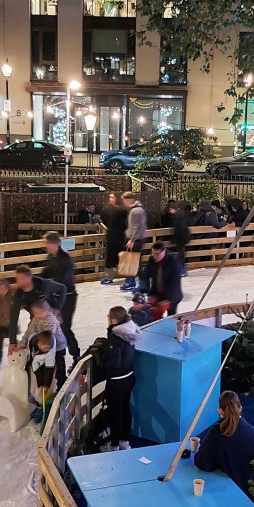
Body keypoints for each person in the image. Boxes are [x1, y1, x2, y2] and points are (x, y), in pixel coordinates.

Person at [195, 390, 254, 499]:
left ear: (220, 411)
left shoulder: (215, 434)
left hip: (229, 496)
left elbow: (203, 464)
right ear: (240, 408)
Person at [95, 306, 141, 450]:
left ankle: (114, 445)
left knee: (115, 414)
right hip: (129, 377)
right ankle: (124, 441)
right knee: (126, 410)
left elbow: (114, 364)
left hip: (117, 382)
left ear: (113, 319)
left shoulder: (116, 337)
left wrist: (100, 360)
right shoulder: (130, 330)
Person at [8, 265, 66, 351]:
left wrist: (57, 308)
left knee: (56, 343)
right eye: (17, 278)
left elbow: (62, 288)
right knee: (38, 343)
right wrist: (12, 341)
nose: (18, 281)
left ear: (29, 278)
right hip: (36, 317)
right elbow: (13, 317)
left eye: (21, 278)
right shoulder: (18, 296)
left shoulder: (43, 284)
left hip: (52, 316)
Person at [42, 230, 80, 361]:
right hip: (54, 298)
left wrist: (53, 282)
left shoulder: (66, 259)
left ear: (54, 244)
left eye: (47, 243)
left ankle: (76, 354)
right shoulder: (50, 258)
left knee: (64, 327)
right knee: (52, 326)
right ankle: (59, 356)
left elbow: (66, 280)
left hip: (68, 298)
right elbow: (46, 273)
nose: (45, 246)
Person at [22, 299, 68, 389]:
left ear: (47, 310)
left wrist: (38, 343)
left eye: (40, 313)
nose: (38, 316)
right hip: (44, 344)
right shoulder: (35, 319)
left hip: (57, 345)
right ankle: (42, 384)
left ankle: (61, 383)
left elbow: (49, 336)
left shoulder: (51, 320)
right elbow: (30, 331)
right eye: (36, 313)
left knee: (59, 364)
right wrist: (23, 341)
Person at [142, 241, 183, 316]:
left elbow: (175, 282)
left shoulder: (173, 260)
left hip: (172, 295)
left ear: (164, 251)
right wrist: (149, 293)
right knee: (154, 314)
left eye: (157, 254)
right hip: (157, 292)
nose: (154, 256)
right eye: (153, 253)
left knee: (171, 316)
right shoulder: (152, 259)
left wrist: (169, 299)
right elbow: (145, 275)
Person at [25, 330, 58, 415]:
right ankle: (36, 399)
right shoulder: (33, 342)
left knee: (46, 382)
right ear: (38, 343)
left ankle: (42, 404)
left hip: (44, 363)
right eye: (43, 347)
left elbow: (49, 369)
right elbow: (33, 361)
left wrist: (45, 384)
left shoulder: (50, 353)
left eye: (47, 348)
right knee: (34, 382)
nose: (46, 350)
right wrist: (39, 381)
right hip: (34, 363)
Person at [120, 191, 147, 291]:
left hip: (137, 240)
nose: (124, 203)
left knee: (135, 262)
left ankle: (142, 284)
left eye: (124, 200)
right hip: (135, 239)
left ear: (129, 199)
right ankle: (131, 280)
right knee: (131, 261)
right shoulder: (133, 210)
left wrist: (132, 240)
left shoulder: (137, 211)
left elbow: (138, 227)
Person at [100, 191, 128, 285]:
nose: (110, 199)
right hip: (114, 236)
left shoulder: (119, 210)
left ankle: (127, 276)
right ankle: (110, 277)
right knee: (112, 256)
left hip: (118, 236)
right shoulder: (116, 209)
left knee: (120, 257)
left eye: (112, 197)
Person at [162, 200, 191, 276]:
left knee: (181, 254)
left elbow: (179, 228)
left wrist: (174, 238)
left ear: (173, 208)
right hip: (183, 236)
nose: (170, 211)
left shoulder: (177, 216)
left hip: (181, 237)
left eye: (170, 210)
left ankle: (182, 269)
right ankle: (182, 269)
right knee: (181, 254)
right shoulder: (182, 214)